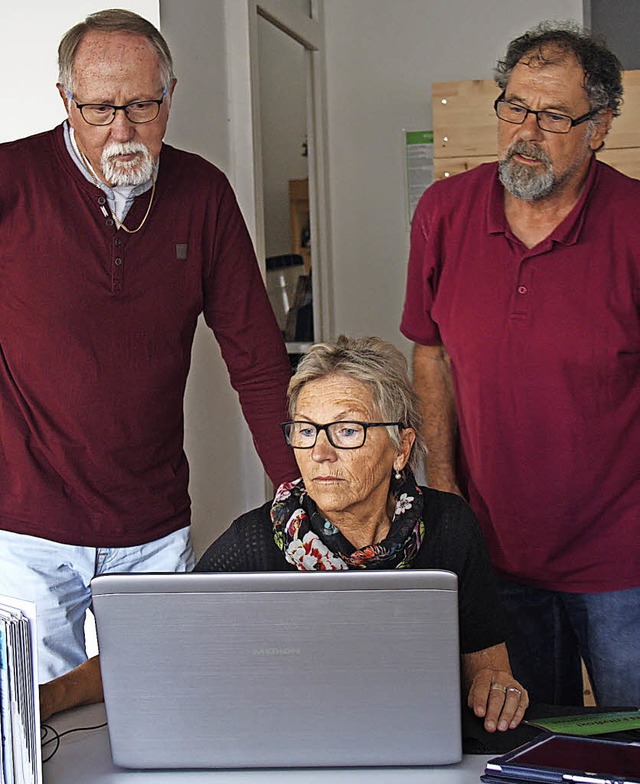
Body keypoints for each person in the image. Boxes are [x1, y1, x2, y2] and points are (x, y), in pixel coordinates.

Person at [0, 9, 298, 683]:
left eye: (142, 104)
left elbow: (254, 360)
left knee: (163, 707)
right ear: (65, 102)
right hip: (26, 530)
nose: (122, 131)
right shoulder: (12, 181)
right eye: (100, 108)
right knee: (39, 730)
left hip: (153, 526)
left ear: (170, 96)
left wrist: (296, 492)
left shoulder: (204, 194)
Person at [40, 335, 529, 734]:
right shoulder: (254, 542)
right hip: (287, 749)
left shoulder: (450, 527)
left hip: (414, 745)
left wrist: (496, 688)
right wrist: (44, 698)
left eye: (347, 430)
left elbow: (487, 664)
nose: (320, 453)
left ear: (401, 447)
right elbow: (144, 649)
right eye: (304, 429)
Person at [401, 22, 639, 706]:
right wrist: (444, 495)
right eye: (514, 107)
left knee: (630, 747)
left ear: (599, 127)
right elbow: (430, 351)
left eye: (554, 115)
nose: (525, 131)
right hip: (493, 553)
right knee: (526, 747)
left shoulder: (634, 223)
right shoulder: (444, 211)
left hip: (623, 562)